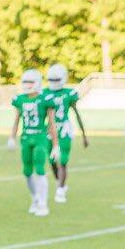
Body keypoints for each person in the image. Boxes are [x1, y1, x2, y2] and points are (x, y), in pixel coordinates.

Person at [43, 63, 88, 203]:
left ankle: (60, 190)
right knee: (51, 161)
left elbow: (76, 114)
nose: (54, 83)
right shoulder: (44, 93)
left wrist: (84, 135)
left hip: (64, 129)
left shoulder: (70, 93)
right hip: (50, 129)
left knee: (62, 161)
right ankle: (61, 184)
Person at [9, 70, 51, 216]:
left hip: (40, 137)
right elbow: (16, 120)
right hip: (26, 137)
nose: (27, 85)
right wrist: (12, 137)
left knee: (39, 169)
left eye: (31, 82)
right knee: (27, 171)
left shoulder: (45, 99)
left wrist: (56, 145)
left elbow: (51, 123)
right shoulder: (20, 99)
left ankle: (43, 204)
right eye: (25, 82)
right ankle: (35, 198)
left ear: (38, 83)